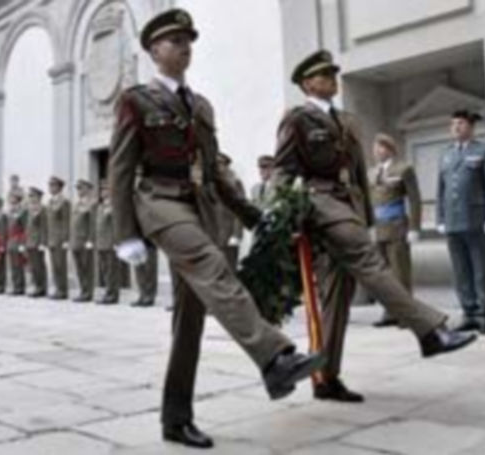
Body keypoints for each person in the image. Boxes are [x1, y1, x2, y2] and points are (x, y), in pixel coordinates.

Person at [109, 9, 325, 449]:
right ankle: (275, 357)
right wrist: (125, 232)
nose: (184, 47)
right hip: (159, 202)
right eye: (174, 41)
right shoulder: (136, 100)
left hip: (199, 206)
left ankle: (176, 418)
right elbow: (120, 167)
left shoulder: (201, 105)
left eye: (188, 40)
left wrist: (252, 215)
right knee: (213, 267)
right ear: (154, 50)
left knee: (189, 320)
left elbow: (214, 170)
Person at [272, 49, 478, 404]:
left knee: (338, 296)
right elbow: (282, 170)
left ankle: (326, 377)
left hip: (347, 205)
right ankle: (430, 331)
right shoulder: (297, 118)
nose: (332, 80)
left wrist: (364, 218)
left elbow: (357, 176)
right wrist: (286, 216)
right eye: (324, 76)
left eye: (334, 75)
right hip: (318, 201)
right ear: (307, 83)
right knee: (370, 261)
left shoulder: (348, 121)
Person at [437, 110, 485, 335]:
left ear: (471, 127)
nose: (456, 127)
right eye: (453, 123)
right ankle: (469, 313)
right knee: (461, 271)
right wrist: (440, 218)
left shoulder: (484, 151)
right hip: (453, 222)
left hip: (477, 222)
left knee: (482, 271)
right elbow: (441, 190)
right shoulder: (446, 154)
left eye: (461, 123)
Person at [368, 133, 423, 327]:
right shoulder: (372, 172)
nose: (377, 151)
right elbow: (369, 203)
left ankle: (407, 314)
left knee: (401, 273)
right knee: (384, 275)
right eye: (375, 147)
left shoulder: (404, 168)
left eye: (381, 147)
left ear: (390, 149)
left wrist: (415, 228)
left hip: (397, 225)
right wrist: (370, 227)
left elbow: (414, 199)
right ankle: (389, 312)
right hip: (379, 228)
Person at [215, 153, 246, 268]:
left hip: (229, 236)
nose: (218, 167)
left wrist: (236, 234)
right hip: (214, 235)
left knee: (230, 269)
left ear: (226, 166)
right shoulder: (211, 184)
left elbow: (240, 211)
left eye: (220, 164)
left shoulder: (235, 183)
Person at [70, 179, 96, 303]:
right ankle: (82, 290)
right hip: (76, 240)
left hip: (85, 240)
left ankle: (88, 292)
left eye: (81, 188)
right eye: (78, 188)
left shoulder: (92, 204)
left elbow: (92, 223)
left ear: (88, 189)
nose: (79, 191)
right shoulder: (77, 204)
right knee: (79, 267)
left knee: (87, 267)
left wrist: (90, 239)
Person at [46, 176, 70, 300]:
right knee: (55, 266)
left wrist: (66, 239)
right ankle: (57, 288)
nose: (50, 188)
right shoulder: (50, 202)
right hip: (51, 238)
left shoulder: (64, 202)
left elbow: (66, 221)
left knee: (61, 265)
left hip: (60, 238)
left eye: (53, 185)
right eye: (50, 185)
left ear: (59, 187)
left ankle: (63, 290)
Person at [95, 181, 119, 304]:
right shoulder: (100, 206)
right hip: (101, 242)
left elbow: (117, 226)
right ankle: (107, 292)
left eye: (106, 190)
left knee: (111, 270)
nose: (103, 192)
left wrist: (116, 242)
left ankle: (112, 295)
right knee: (104, 270)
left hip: (110, 242)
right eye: (102, 190)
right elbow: (98, 226)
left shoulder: (114, 206)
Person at [25, 187, 48, 298]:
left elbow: (44, 226)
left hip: (38, 241)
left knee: (39, 266)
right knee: (33, 266)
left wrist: (43, 242)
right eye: (30, 196)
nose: (31, 198)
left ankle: (42, 287)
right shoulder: (30, 209)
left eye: (33, 196)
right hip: (30, 241)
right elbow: (28, 227)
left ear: (39, 197)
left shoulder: (42, 209)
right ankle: (36, 286)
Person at [6, 193, 28, 296]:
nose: (12, 203)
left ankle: (20, 287)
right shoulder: (10, 212)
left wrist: (23, 244)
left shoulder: (22, 212)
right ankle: (15, 286)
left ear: (18, 201)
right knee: (13, 266)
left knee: (19, 265)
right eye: (11, 201)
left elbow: (25, 229)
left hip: (18, 240)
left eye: (13, 201)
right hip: (11, 241)